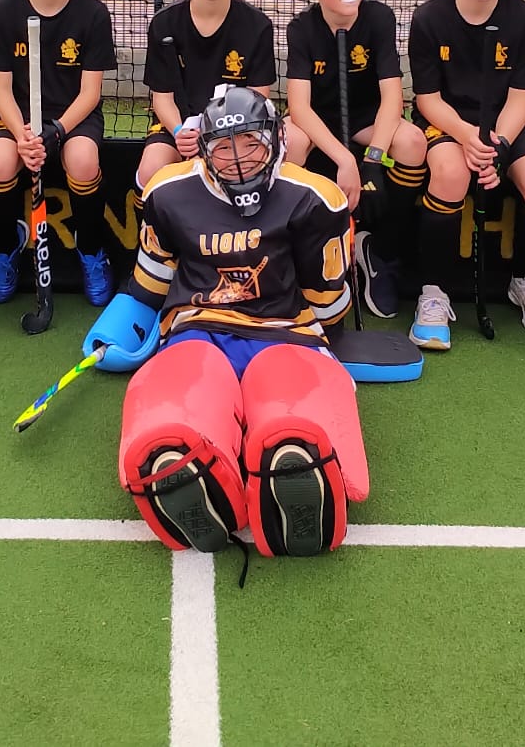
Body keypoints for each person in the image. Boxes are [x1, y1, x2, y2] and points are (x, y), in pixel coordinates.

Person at [103, 86, 369, 558]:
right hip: (199, 331)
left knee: (290, 402)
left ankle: (291, 458)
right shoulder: (168, 190)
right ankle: (190, 467)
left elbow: (327, 306)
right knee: (181, 390)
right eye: (225, 147)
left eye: (250, 143)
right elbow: (152, 278)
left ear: (276, 140)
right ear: (203, 149)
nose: (239, 159)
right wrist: (121, 326)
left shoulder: (314, 197)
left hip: (286, 337)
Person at [405, 0, 525, 348]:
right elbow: (428, 100)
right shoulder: (429, 18)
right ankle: (433, 292)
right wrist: (467, 137)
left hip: (505, 125)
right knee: (451, 173)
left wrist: (499, 147)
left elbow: (521, 98)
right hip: (448, 120)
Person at [0, 0, 119, 309]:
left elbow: (90, 93)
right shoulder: (4, 11)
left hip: (73, 118)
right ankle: (6, 247)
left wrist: (56, 131)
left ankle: (91, 250)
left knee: (83, 160)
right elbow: (0, 89)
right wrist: (22, 134)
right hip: (18, 118)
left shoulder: (93, 14)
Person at [282, 0, 422, 319]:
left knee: (412, 142)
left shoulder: (379, 17)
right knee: (290, 141)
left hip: (364, 117)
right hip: (317, 118)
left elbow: (392, 99)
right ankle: (296, 257)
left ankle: (381, 253)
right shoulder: (301, 28)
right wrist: (346, 160)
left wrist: (373, 160)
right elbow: (300, 107)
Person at [137, 0, 277, 194]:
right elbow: (162, 99)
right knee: (151, 169)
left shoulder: (257, 26)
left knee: (244, 166)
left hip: (235, 129)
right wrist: (180, 133)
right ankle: (149, 223)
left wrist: (219, 137)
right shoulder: (164, 24)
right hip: (177, 129)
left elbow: (257, 98)